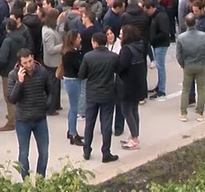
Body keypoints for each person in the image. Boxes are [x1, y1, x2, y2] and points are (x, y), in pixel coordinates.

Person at [7, 48, 51, 181]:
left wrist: (46, 106)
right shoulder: (13, 75)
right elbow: (12, 99)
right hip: (23, 120)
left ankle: (40, 180)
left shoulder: (42, 72)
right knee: (24, 153)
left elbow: (51, 91)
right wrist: (19, 82)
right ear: (20, 63)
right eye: (25, 63)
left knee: (44, 152)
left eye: (30, 61)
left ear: (33, 58)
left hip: (40, 119)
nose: (29, 65)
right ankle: (26, 181)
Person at [79, 31, 119, 163]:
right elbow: (118, 71)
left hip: (92, 94)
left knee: (89, 123)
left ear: (95, 42)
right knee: (106, 123)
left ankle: (87, 150)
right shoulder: (113, 57)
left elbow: (82, 75)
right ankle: (106, 152)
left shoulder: (88, 57)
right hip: (107, 93)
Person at [176, 13, 205, 122]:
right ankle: (200, 113)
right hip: (201, 64)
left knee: (185, 89)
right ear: (195, 22)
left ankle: (183, 113)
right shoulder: (203, 36)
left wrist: (183, 64)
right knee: (201, 89)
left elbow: (178, 54)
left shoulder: (181, 38)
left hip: (188, 65)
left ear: (186, 23)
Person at [0, 17, 30, 132]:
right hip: (19, 68)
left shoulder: (7, 40)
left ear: (7, 27)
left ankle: (12, 121)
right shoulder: (22, 38)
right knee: (19, 93)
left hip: (8, 71)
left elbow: (2, 58)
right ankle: (17, 115)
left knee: (9, 96)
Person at [116, 25, 147, 151]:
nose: (119, 35)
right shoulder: (140, 46)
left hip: (128, 84)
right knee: (134, 110)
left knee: (127, 110)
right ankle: (135, 135)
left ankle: (134, 138)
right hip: (139, 82)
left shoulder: (127, 49)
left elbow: (122, 66)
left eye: (121, 33)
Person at [60, 30, 84, 146]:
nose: (80, 40)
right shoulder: (71, 54)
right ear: (73, 40)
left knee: (72, 108)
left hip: (69, 81)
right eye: (78, 38)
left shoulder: (67, 52)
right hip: (73, 81)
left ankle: (71, 130)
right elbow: (78, 67)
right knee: (74, 109)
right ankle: (73, 134)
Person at [144, 1, 171, 101]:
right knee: (160, 66)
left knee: (160, 66)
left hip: (161, 44)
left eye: (147, 10)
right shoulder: (156, 16)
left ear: (151, 7)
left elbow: (164, 32)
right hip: (158, 44)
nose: (147, 13)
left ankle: (161, 89)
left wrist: (153, 39)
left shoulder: (160, 16)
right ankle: (159, 86)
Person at [40, 9, 63, 116]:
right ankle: (51, 108)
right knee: (53, 86)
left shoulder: (47, 28)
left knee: (56, 84)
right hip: (52, 62)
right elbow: (50, 49)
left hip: (53, 61)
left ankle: (56, 105)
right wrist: (62, 46)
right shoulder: (48, 32)